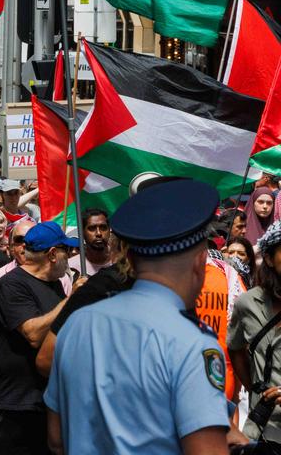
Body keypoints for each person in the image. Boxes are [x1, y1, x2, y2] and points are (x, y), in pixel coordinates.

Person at [47, 179, 236, 454]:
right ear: (200, 263)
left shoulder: (79, 323)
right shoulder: (193, 344)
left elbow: (56, 438)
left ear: (131, 260)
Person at [0, 221, 74, 455]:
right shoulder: (12, 285)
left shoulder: (55, 286)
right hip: (17, 407)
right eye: (67, 250)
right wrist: (71, 301)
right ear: (53, 254)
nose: (71, 256)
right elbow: (34, 334)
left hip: (49, 404)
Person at [229, 217, 281, 442]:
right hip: (263, 430)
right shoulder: (247, 303)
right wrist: (255, 389)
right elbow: (235, 348)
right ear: (268, 259)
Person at [79, 208, 115, 275]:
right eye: (92, 228)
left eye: (103, 227)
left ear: (109, 230)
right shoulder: (72, 267)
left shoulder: (122, 263)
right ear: (82, 232)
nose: (99, 233)